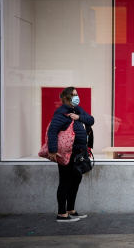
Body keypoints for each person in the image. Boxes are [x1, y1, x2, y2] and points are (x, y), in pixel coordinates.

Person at [48, 87, 94, 222]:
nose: (76, 97)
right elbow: (52, 132)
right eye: (73, 95)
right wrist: (52, 150)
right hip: (67, 154)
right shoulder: (61, 113)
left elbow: (91, 120)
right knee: (65, 182)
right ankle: (62, 214)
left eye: (76, 94)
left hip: (79, 154)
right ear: (66, 98)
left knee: (75, 181)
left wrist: (79, 117)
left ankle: (71, 210)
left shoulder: (77, 110)